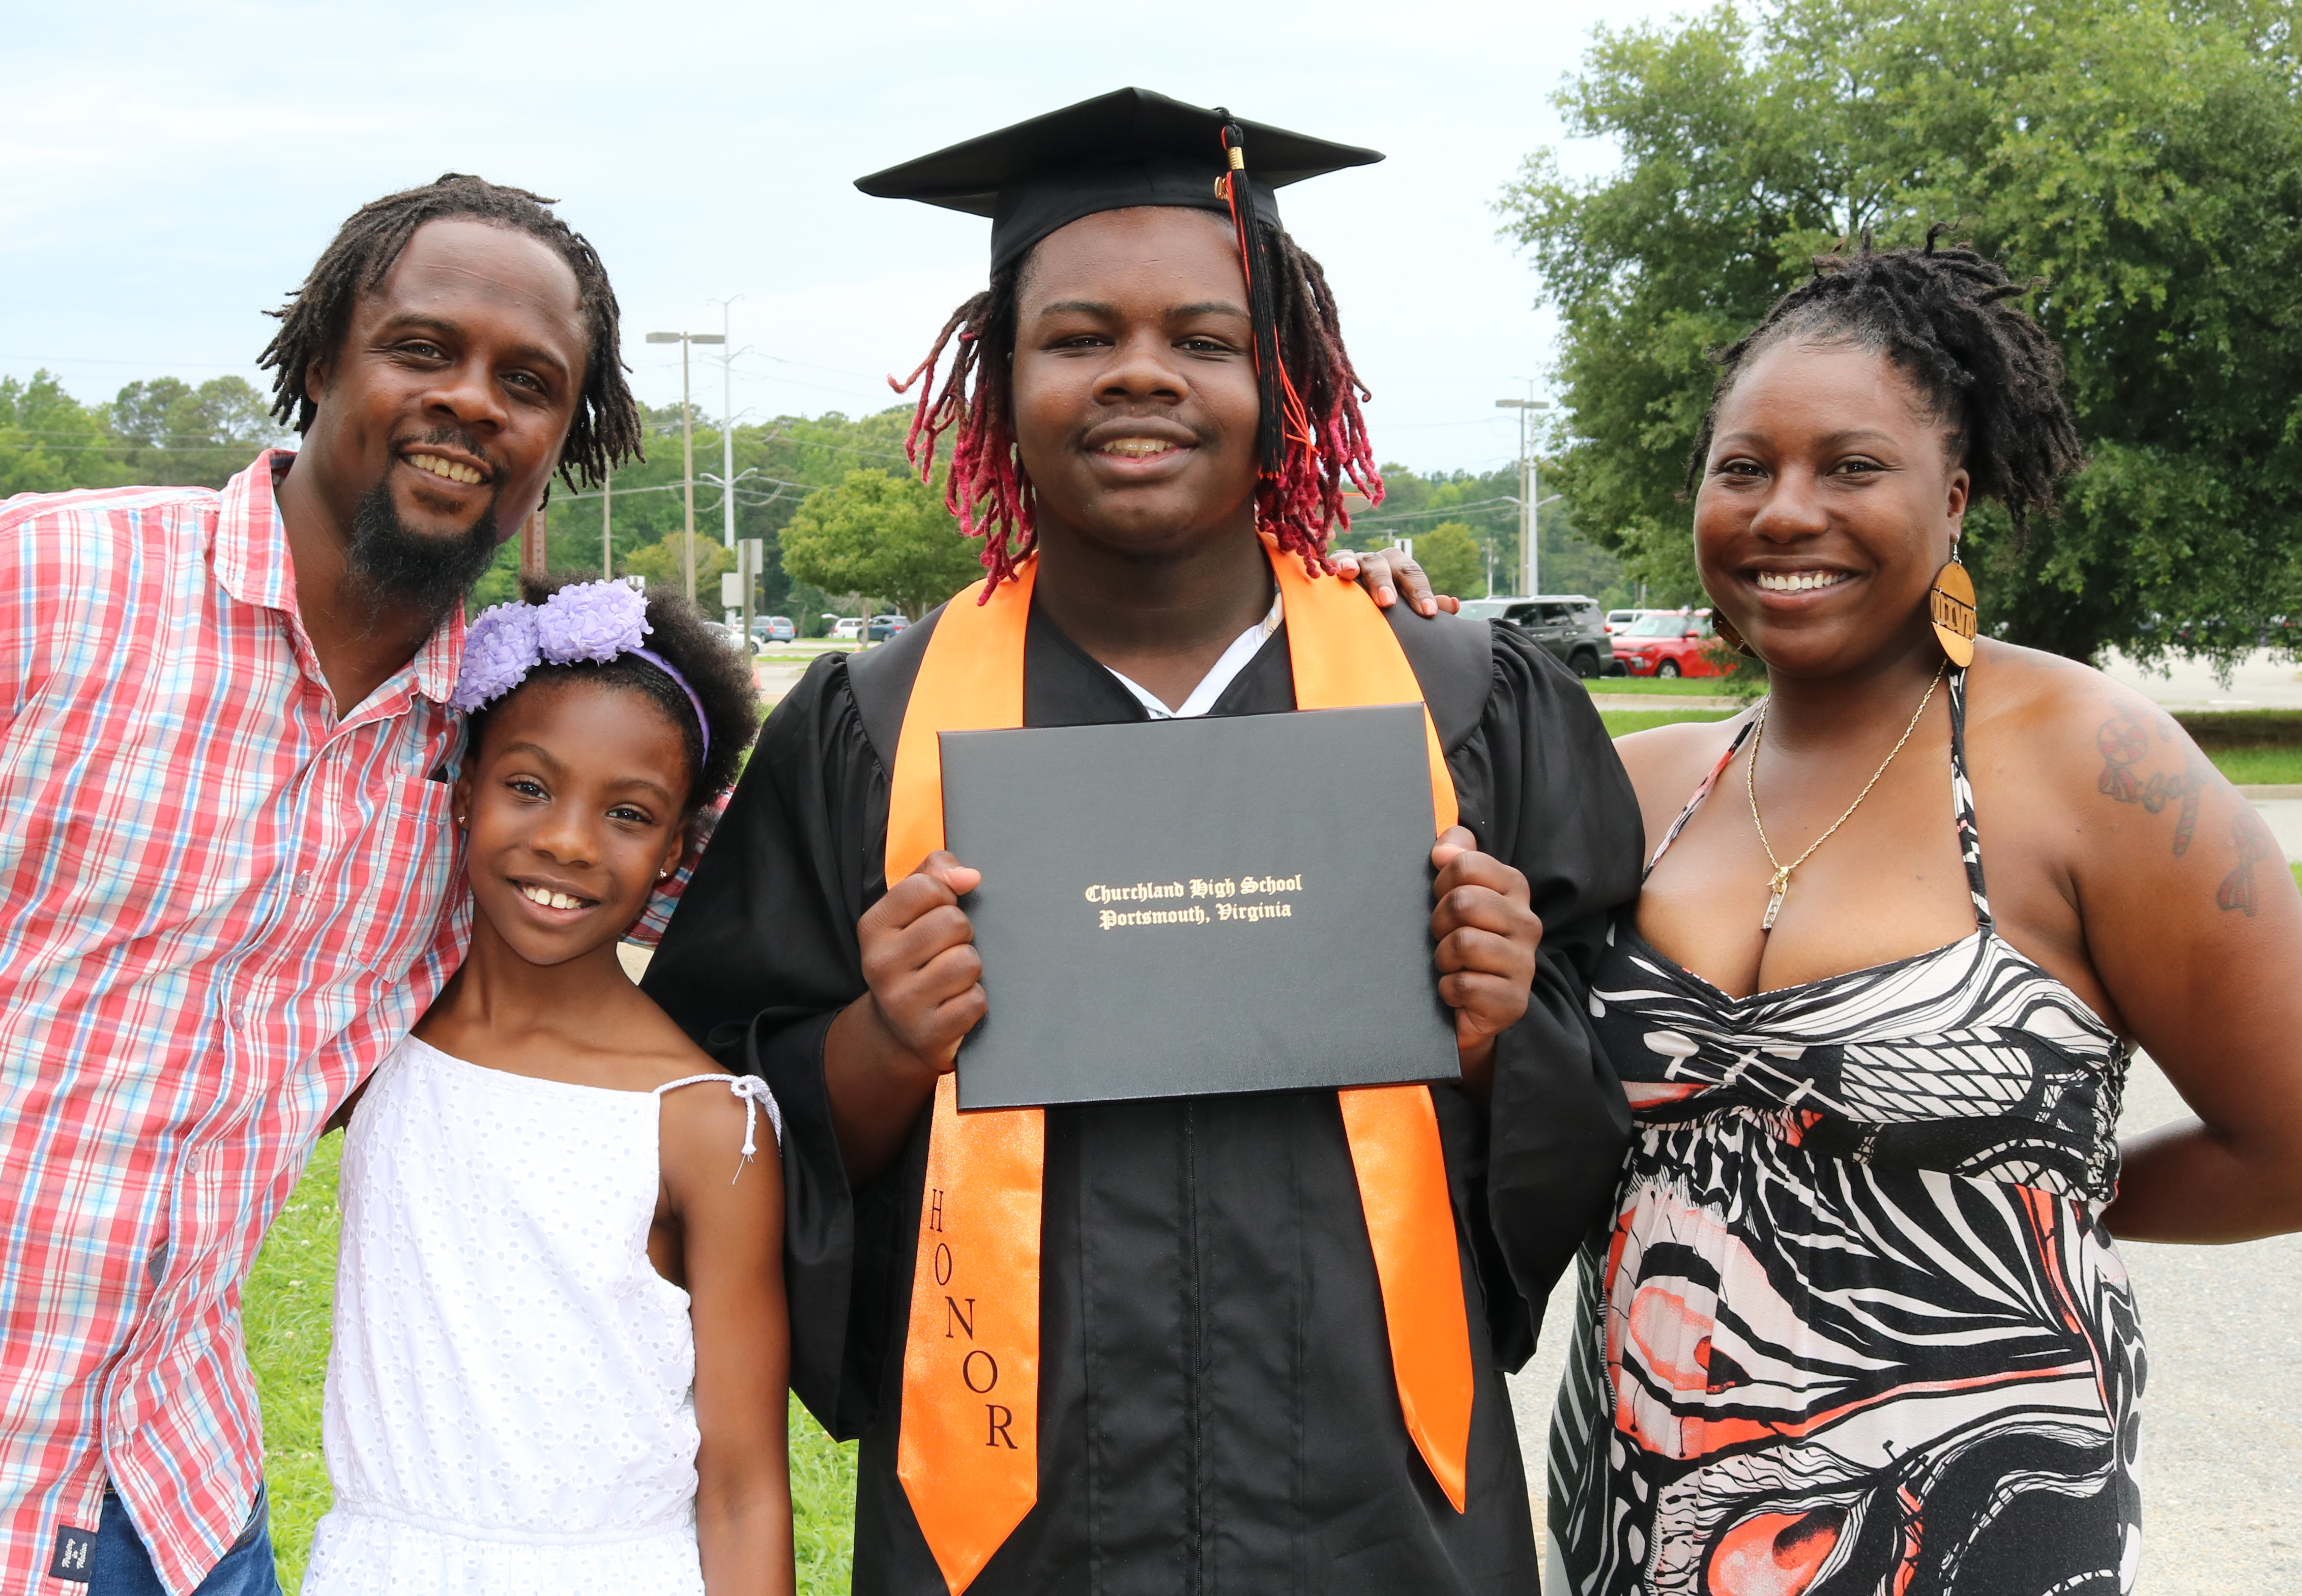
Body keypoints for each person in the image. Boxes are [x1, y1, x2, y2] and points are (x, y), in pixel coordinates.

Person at [644, 88, 1645, 1594]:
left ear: (1277, 375)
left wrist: (1507, 1027)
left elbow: (1615, 1087)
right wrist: (876, 1044)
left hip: (1381, 1519)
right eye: (1075, 336)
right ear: (1000, 382)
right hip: (1016, 1526)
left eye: (1201, 337)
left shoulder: (1456, 703)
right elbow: (705, 1124)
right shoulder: (872, 725)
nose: (1139, 377)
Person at [0, 174, 642, 1595]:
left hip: (175, 1508)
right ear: (324, 356)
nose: (471, 401)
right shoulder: (8, 588)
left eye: (528, 381)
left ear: (561, 438)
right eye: (421, 348)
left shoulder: (501, 749)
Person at [1543, 235, 2302, 1595]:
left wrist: (2032, 1205)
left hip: (1963, 1519)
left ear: (1951, 500)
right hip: (1637, 1505)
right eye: (1741, 468)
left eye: (1849, 466)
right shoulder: (1642, 785)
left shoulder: (2085, 762)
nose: (1783, 510)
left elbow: (2292, 1137)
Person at [296, 577, 785, 1595]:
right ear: (464, 787)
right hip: (377, 1567)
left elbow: (743, 1487)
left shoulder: (702, 1123)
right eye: (530, 787)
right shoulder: (375, 1038)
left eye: (626, 813)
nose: (567, 841)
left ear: (677, 851)